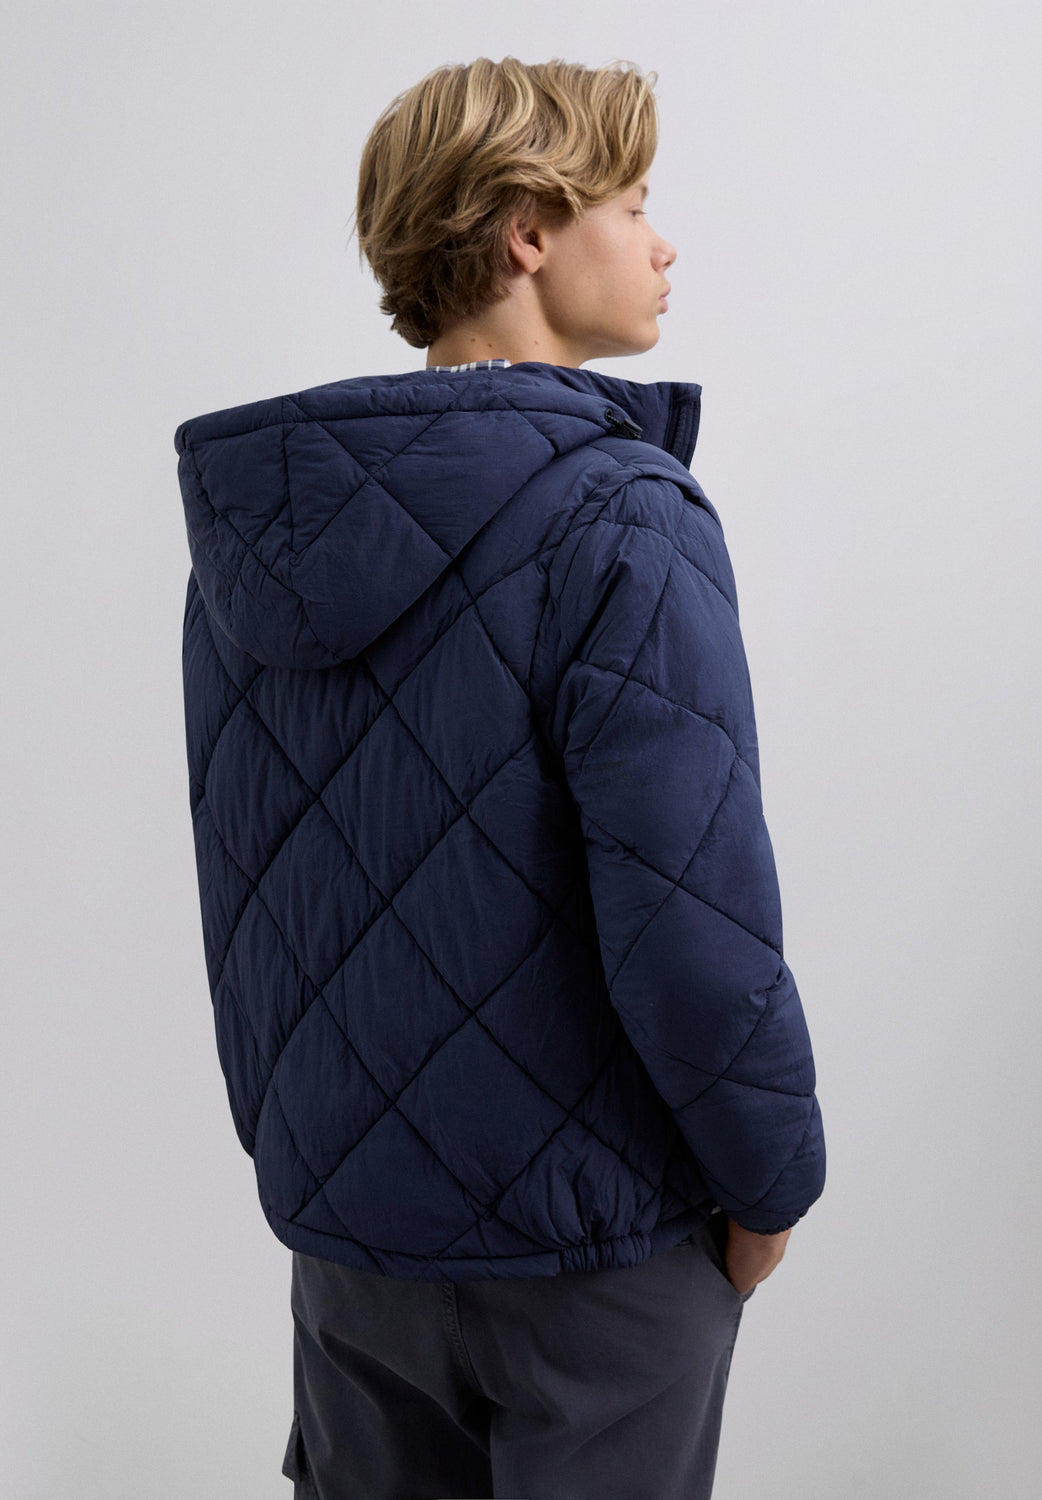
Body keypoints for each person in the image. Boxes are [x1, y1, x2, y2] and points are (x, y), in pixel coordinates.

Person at [175, 55, 825, 1500]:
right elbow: (692, 913)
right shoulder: (622, 517)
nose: (662, 244)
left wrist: (317, 1165)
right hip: (592, 1254)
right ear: (527, 232)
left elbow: (248, 897)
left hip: (355, 1255)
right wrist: (770, 1179)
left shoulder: (263, 536)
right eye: (632, 205)